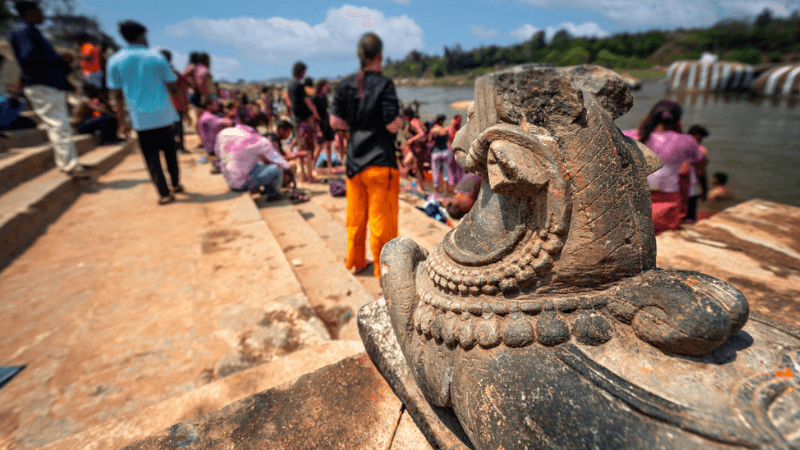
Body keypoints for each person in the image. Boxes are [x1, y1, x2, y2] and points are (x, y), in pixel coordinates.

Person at [330, 32, 403, 278]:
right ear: (379, 57)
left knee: (356, 217)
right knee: (382, 220)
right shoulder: (384, 84)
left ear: (360, 56)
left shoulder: (345, 84)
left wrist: (354, 123)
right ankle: (384, 269)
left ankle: (356, 261)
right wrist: (399, 121)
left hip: (354, 161)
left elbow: (335, 121)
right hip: (380, 161)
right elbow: (391, 123)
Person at [9, 1, 93, 177]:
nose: (42, 15)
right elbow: (28, 59)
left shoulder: (30, 30)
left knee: (61, 125)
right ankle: (69, 165)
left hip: (49, 84)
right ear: (30, 12)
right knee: (58, 125)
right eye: (39, 11)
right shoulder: (24, 31)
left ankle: (70, 162)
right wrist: (60, 59)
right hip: (42, 84)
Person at [107, 20, 184, 205]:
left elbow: (117, 95)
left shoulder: (115, 61)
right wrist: (184, 109)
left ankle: (164, 194)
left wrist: (121, 120)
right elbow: (173, 87)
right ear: (141, 36)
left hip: (140, 118)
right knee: (170, 152)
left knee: (151, 157)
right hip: (164, 115)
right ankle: (175, 183)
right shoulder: (156, 57)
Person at [623, 100, 706, 232]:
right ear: (678, 120)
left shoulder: (630, 136)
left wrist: (644, 122)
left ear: (650, 117)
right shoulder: (687, 140)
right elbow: (700, 164)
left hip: (634, 204)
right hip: (668, 207)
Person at [215, 123, 293, 200]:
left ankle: (260, 188)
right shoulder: (259, 140)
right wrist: (291, 174)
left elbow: (217, 152)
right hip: (241, 184)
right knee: (277, 168)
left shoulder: (225, 133)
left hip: (230, 181)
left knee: (257, 163)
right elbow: (282, 163)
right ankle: (273, 194)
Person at [284, 61, 320, 182]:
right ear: (302, 72)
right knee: (308, 150)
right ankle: (310, 177)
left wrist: (293, 110)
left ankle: (303, 176)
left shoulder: (289, 85)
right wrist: (316, 115)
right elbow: (308, 103)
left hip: (297, 121)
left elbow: (288, 101)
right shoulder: (300, 85)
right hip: (306, 121)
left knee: (300, 149)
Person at [160, 49, 190, 153]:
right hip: (176, 105)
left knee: (168, 128)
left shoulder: (159, 74)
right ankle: (181, 146)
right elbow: (185, 85)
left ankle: (172, 146)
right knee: (178, 127)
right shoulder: (175, 73)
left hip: (164, 105)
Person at [684, 124, 710, 222]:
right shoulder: (701, 150)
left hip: (673, 189)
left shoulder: (675, 146)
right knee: (689, 219)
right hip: (691, 190)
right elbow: (701, 173)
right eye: (701, 138)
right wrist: (705, 190)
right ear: (697, 135)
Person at [313, 79, 336, 171]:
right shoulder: (315, 98)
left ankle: (329, 166)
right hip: (320, 123)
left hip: (327, 121)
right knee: (319, 146)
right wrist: (318, 129)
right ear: (321, 86)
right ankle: (312, 167)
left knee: (329, 145)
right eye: (326, 86)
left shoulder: (324, 97)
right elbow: (314, 115)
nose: (328, 87)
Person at [401, 107, 427, 187]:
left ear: (407, 115)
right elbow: (425, 130)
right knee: (408, 163)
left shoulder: (413, 122)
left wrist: (412, 139)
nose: (403, 118)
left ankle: (420, 186)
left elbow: (422, 133)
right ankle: (417, 183)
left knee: (417, 168)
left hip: (418, 148)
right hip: (419, 148)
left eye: (403, 116)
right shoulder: (415, 121)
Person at [428, 114, 451, 195]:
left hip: (436, 152)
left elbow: (430, 140)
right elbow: (448, 140)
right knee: (446, 172)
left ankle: (437, 192)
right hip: (445, 151)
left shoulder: (433, 130)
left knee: (435, 172)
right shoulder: (446, 129)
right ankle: (446, 192)